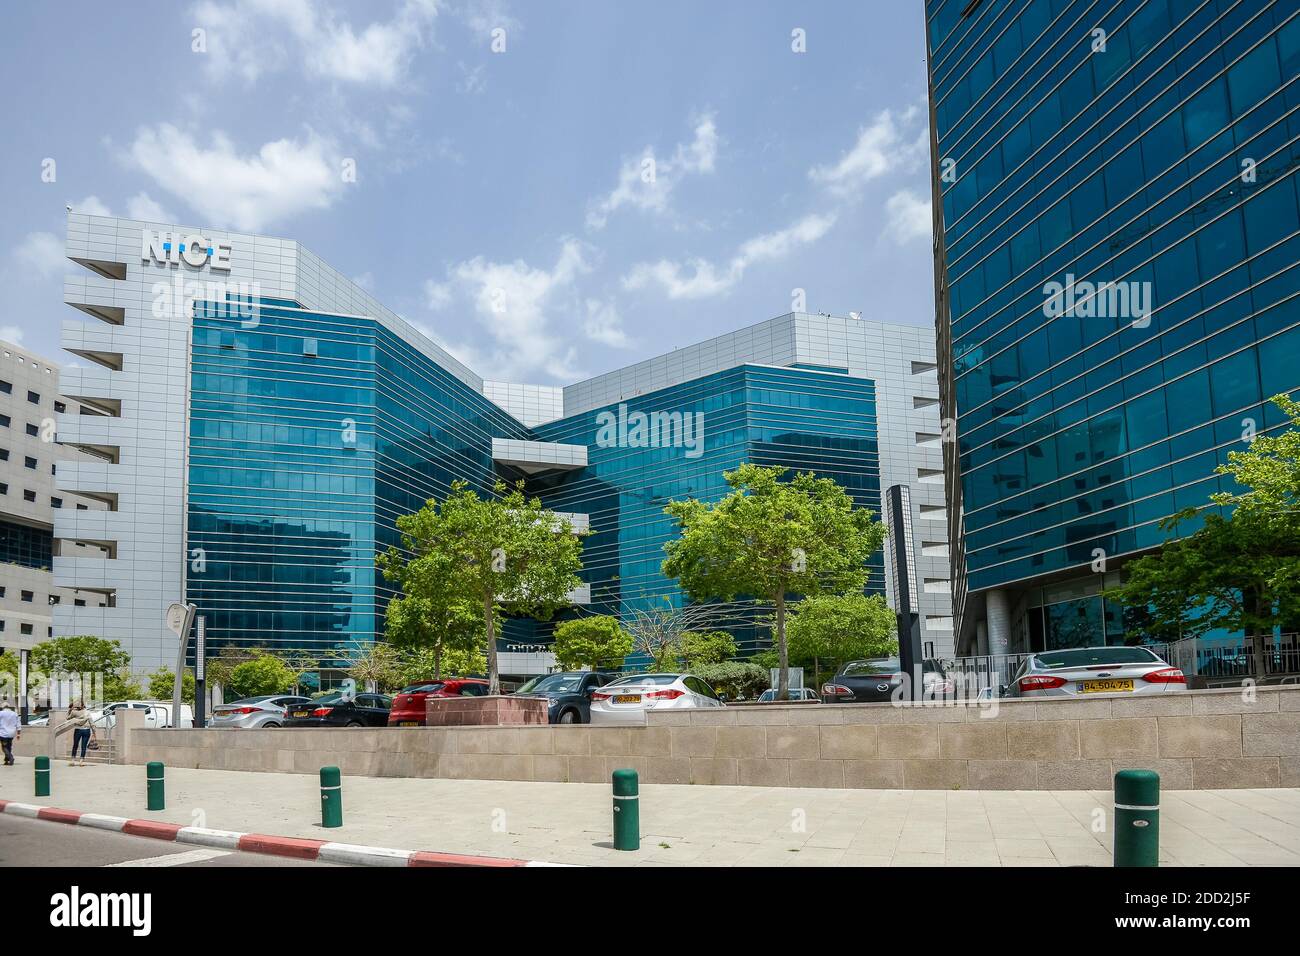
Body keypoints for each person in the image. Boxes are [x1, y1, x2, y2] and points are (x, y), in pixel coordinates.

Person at [63, 701, 94, 766]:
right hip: (86, 730)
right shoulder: (87, 712)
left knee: (75, 745)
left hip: (78, 730)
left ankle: (72, 761)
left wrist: (70, 710)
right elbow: (91, 722)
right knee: (84, 746)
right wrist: (94, 732)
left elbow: (67, 718)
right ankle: (81, 762)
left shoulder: (74, 712)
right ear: (83, 705)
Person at [0, 701, 19, 766]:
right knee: (9, 747)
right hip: (11, 733)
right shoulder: (14, 714)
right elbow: (18, 724)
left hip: (3, 733)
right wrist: (18, 733)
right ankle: (6, 761)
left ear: (3, 707)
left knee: (4, 747)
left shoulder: (1, 713)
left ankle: (11, 758)